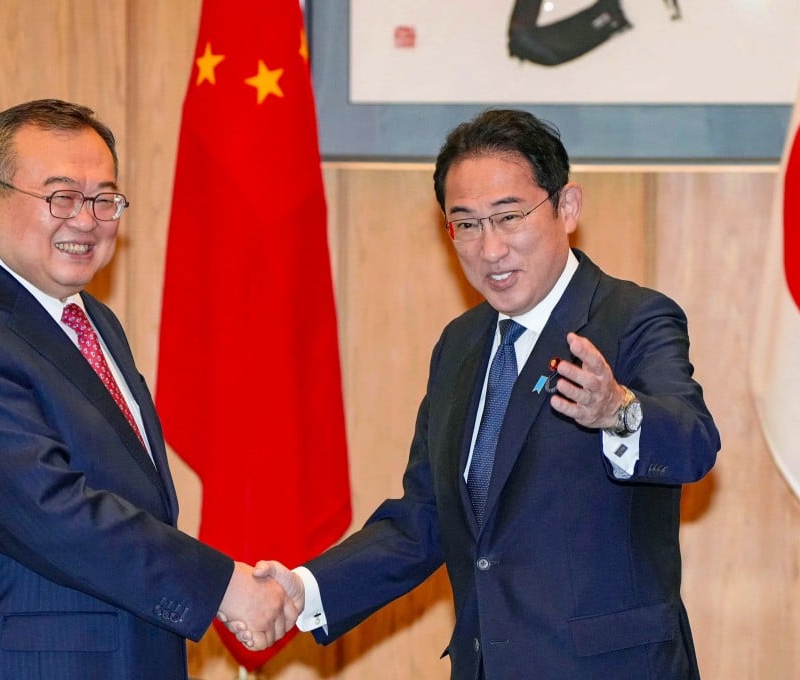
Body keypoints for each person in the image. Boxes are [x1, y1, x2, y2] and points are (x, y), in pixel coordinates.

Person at [238, 109, 720, 678]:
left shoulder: (633, 318)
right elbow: (424, 519)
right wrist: (303, 589)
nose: (489, 250)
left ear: (567, 207)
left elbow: (693, 444)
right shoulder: (460, 345)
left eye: (508, 216)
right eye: (465, 224)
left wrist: (619, 411)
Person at [0, 99, 297, 679]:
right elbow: (53, 513)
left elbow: (133, 498)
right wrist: (222, 586)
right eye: (60, 197)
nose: (86, 220)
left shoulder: (91, 320)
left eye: (104, 199)